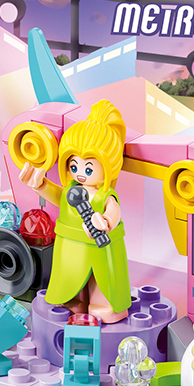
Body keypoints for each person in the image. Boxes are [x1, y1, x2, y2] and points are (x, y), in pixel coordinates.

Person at [19, 100, 131, 324]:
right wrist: (40, 185)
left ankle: (105, 306)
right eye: (74, 166)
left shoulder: (104, 195)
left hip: (99, 246)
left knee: (101, 280)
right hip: (70, 245)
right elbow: (60, 197)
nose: (80, 173)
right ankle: (73, 301)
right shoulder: (71, 189)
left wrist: (106, 221)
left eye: (88, 168)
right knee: (71, 277)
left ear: (108, 165)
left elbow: (114, 210)